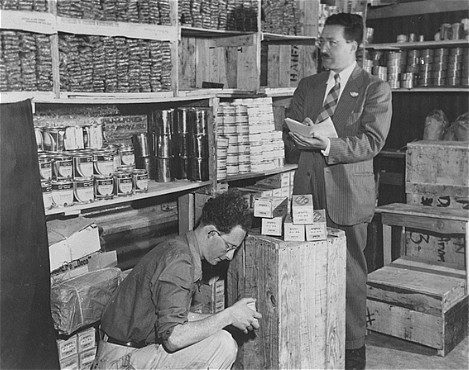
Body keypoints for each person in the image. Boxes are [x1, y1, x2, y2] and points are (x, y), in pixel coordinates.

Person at [286, 12, 392, 370]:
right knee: (304, 269)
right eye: (322, 41)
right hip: (307, 191)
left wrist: (328, 145)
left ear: (353, 45)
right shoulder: (309, 85)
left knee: (349, 275)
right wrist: (299, 134)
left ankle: (352, 351)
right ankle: (312, 341)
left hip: (348, 194)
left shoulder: (375, 88)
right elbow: (293, 130)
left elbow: (371, 142)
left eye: (332, 42)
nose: (324, 48)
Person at [92, 189, 261, 369]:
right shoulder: (179, 261)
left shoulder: (180, 249)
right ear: (211, 233)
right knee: (222, 344)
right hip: (119, 360)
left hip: (133, 352)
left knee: (218, 335)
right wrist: (228, 316)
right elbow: (174, 338)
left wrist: (228, 317)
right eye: (228, 246)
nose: (230, 256)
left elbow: (177, 317)